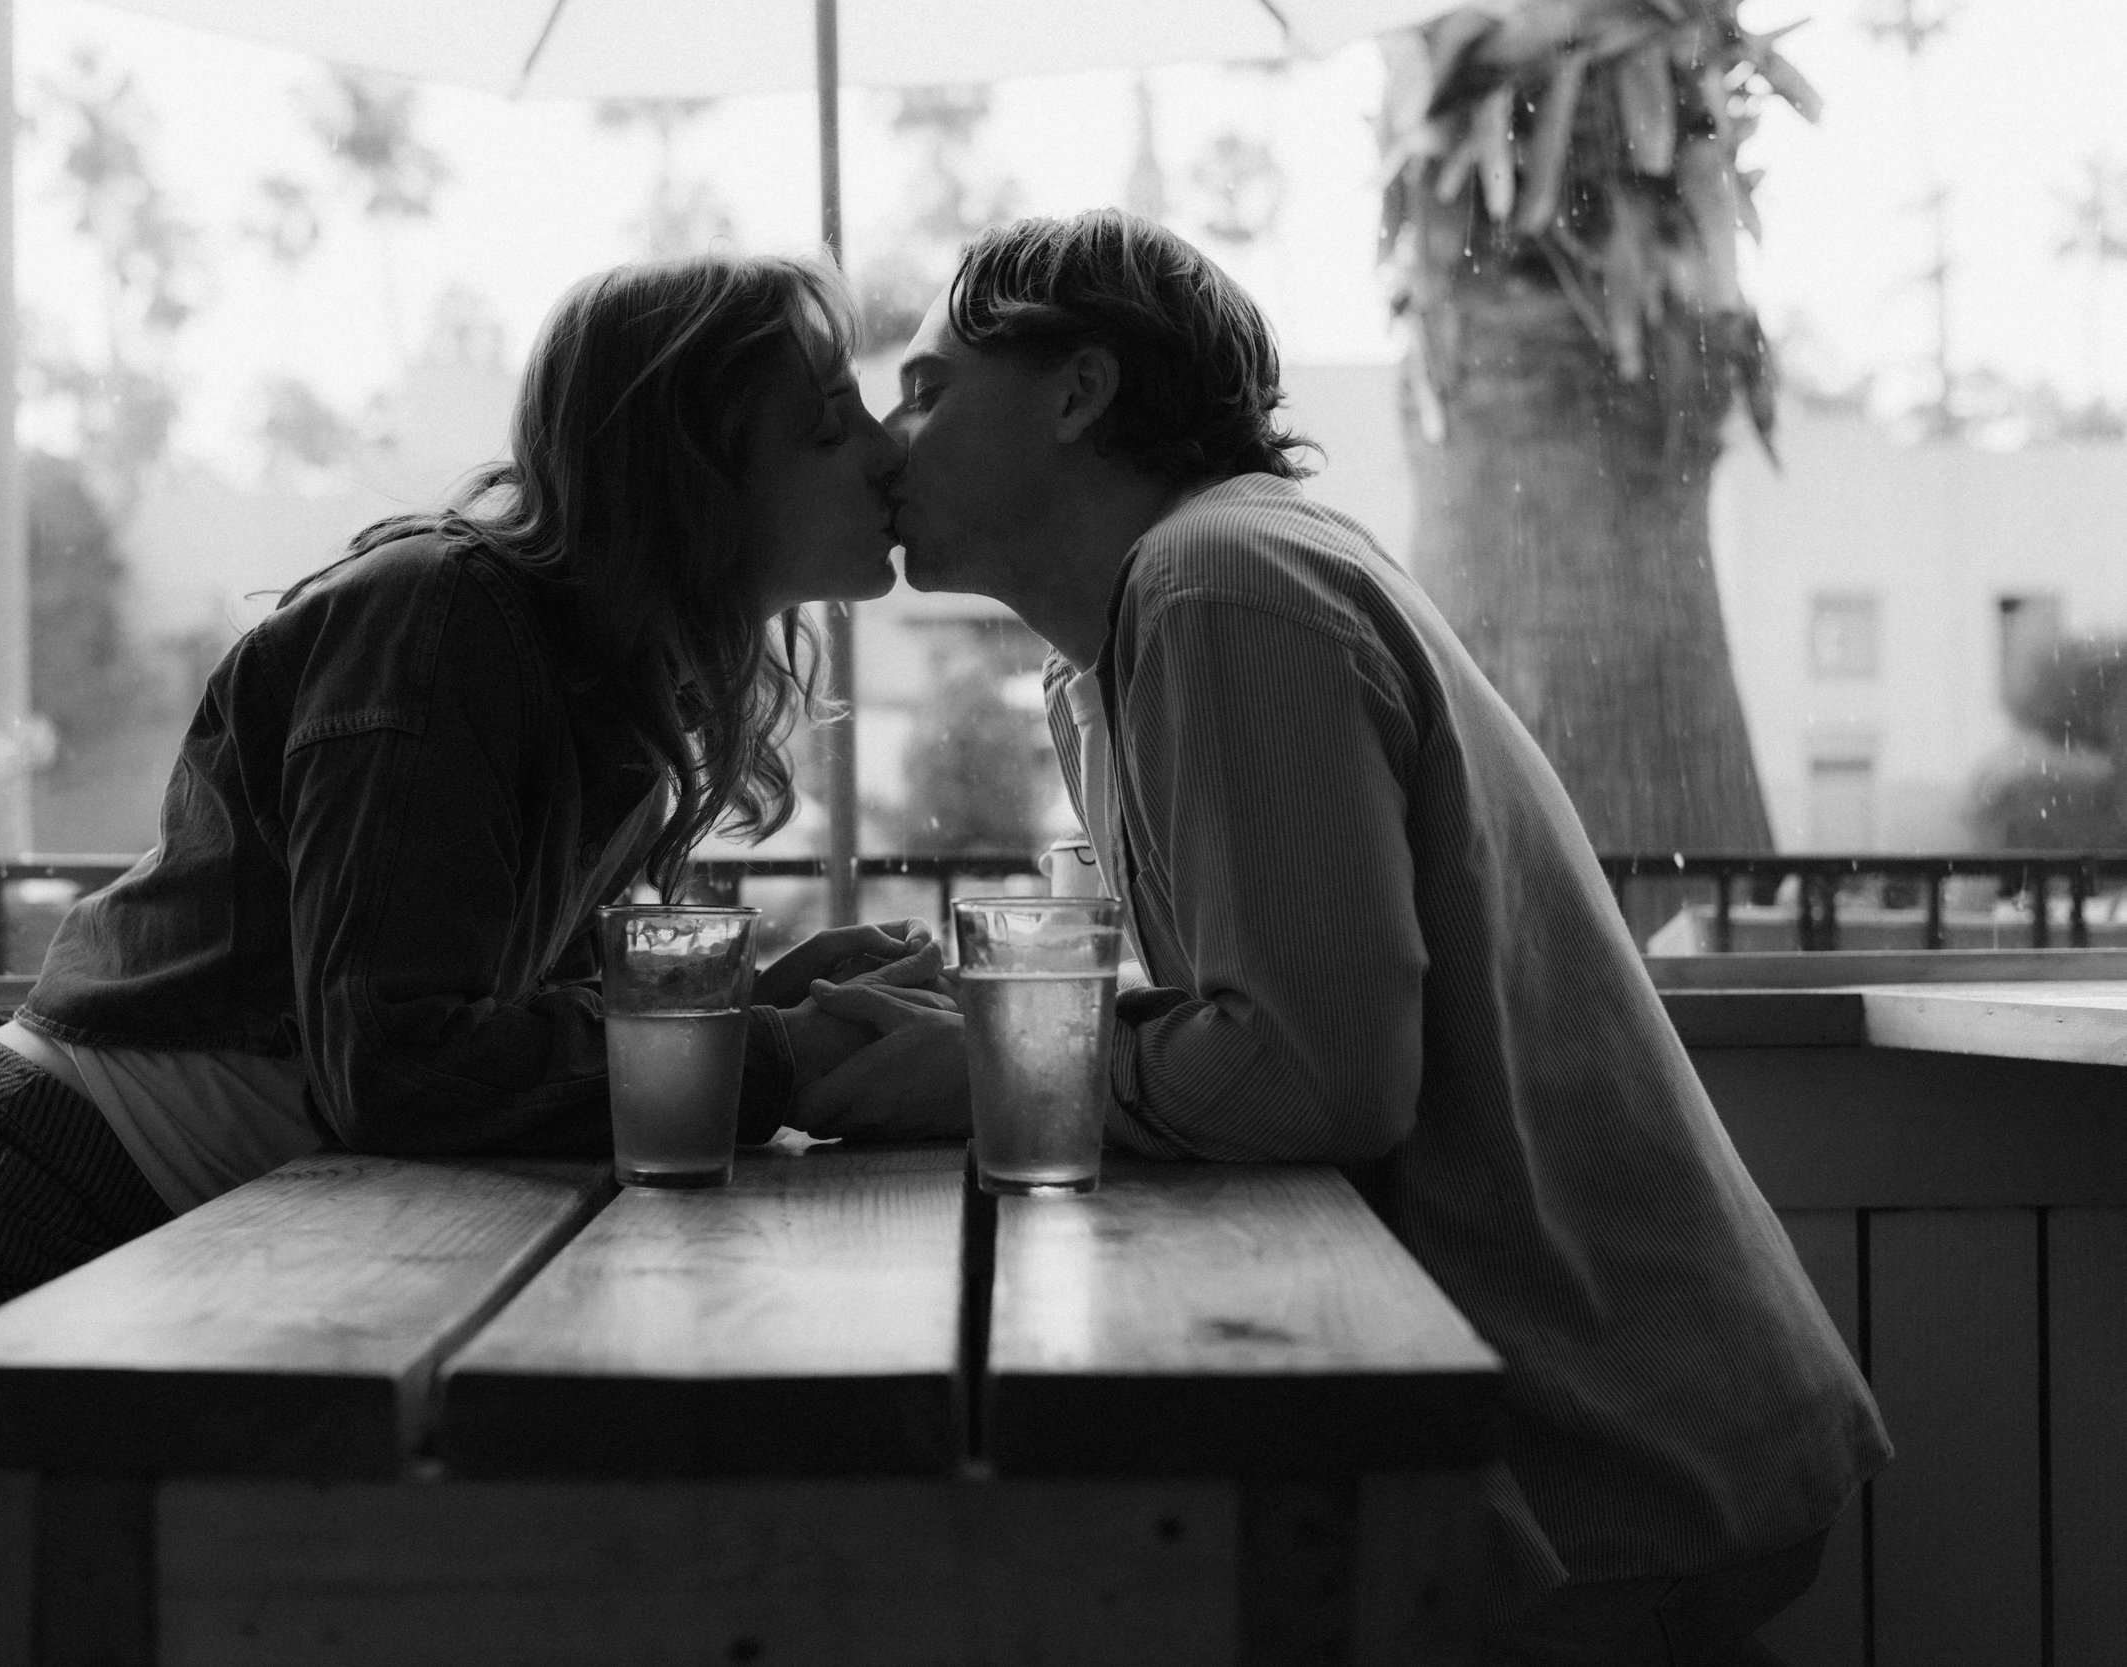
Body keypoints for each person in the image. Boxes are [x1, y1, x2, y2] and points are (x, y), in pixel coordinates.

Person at [0, 252, 942, 1591]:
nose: (889, 453)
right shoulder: (445, 619)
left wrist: (762, 1006)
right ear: (683, 477)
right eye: (827, 427)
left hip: (95, 1236)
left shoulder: (590, 664)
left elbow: (474, 1021)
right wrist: (779, 1058)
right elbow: (405, 1063)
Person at [810, 210, 1891, 1663]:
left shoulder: (1218, 585)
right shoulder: (1145, 632)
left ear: (1079, 393)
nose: (887, 440)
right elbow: (1271, 1007)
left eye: (930, 387)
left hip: (1594, 1464)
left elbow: (1314, 1079)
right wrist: (980, 1007)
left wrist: (987, 1067)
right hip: (1616, 1422)